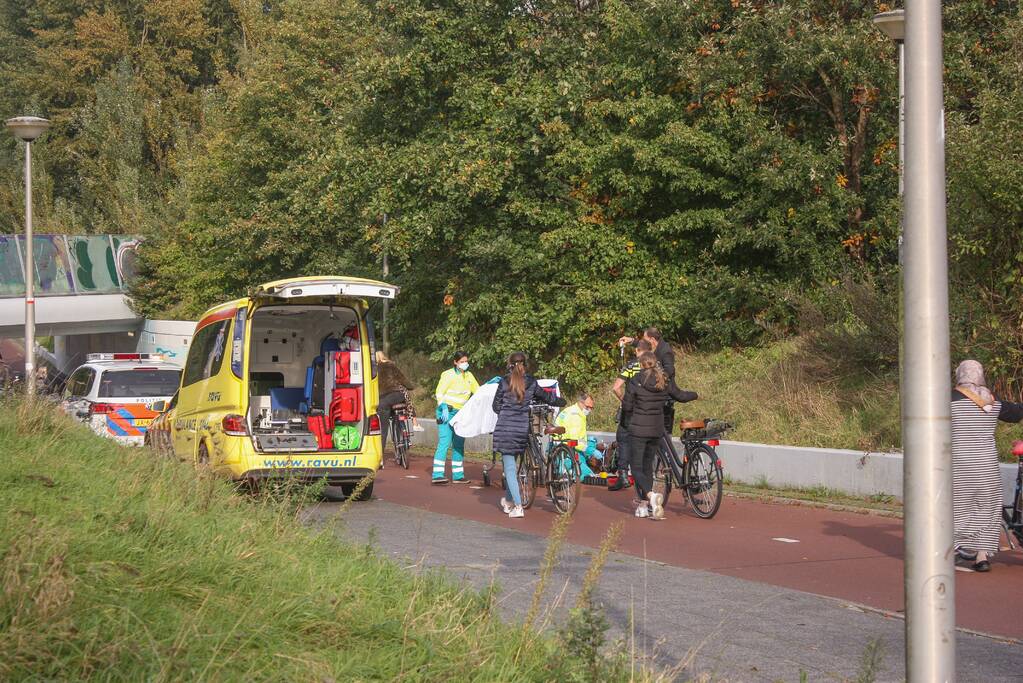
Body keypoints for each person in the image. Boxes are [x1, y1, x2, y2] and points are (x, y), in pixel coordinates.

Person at [951, 359, 1023, 572]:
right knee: (988, 509)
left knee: (957, 507)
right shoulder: (992, 399)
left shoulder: (948, 399)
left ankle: (955, 549)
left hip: (960, 463)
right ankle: (982, 557)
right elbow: (1016, 413)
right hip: (987, 465)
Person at [622, 352, 697, 520]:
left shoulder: (635, 380)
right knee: (647, 465)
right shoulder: (663, 379)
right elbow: (680, 395)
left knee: (636, 467)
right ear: (655, 363)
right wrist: (695, 394)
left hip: (638, 430)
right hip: (656, 429)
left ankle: (650, 496)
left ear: (641, 364)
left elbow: (627, 406)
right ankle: (645, 505)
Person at [492, 352, 566, 518]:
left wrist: (505, 412)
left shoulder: (504, 382)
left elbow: (495, 406)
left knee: (509, 469)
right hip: (522, 428)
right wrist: (561, 401)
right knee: (514, 468)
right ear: (525, 364)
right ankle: (509, 501)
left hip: (505, 428)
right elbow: (547, 397)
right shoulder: (531, 382)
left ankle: (518, 506)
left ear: (509, 364)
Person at [609, 339, 653, 491]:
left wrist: (625, 400)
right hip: (651, 411)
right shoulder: (656, 365)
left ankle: (623, 475)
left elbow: (616, 388)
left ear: (637, 351)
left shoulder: (631, 365)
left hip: (631, 409)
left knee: (623, 438)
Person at [433, 350, 479, 483]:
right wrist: (442, 406)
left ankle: (458, 476)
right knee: (445, 442)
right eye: (462, 362)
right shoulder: (448, 375)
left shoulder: (469, 376)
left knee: (459, 444)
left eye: (466, 361)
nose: (465, 364)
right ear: (455, 362)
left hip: (461, 414)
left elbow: (478, 392)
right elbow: (439, 392)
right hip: (446, 412)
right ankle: (437, 475)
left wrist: (490, 386)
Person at [618, 327, 677, 431]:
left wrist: (657, 379)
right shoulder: (653, 347)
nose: (643, 341)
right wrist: (631, 340)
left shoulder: (665, 351)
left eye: (645, 339)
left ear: (652, 339)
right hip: (652, 393)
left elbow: (670, 370)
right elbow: (643, 347)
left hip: (661, 393)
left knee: (661, 432)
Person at [376, 351, 416, 456]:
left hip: (384, 400)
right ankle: (404, 436)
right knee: (399, 414)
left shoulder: (373, 369)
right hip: (398, 396)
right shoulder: (391, 366)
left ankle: (380, 456)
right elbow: (403, 380)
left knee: (383, 428)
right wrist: (410, 387)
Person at [554, 392, 600, 479]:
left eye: (591, 407)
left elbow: (578, 437)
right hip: (566, 449)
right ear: (580, 402)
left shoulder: (572, 410)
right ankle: (568, 471)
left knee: (592, 441)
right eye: (588, 407)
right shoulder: (576, 416)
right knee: (586, 475)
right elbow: (573, 441)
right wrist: (590, 450)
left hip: (561, 446)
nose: (589, 410)